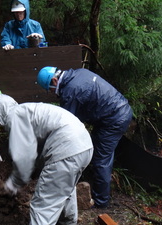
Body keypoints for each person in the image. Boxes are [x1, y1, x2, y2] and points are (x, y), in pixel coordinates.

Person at [0, 94, 93, 225]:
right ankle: (67, 222)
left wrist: (13, 184)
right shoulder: (26, 110)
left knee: (43, 206)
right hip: (84, 145)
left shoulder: (14, 117)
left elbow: (24, 157)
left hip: (66, 148)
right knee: (64, 189)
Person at [37, 66, 133, 209]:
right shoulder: (78, 73)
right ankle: (96, 183)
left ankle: (101, 201)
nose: (51, 92)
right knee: (96, 150)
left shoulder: (70, 92)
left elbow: (65, 127)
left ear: (55, 80)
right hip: (116, 111)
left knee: (101, 160)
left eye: (49, 89)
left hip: (114, 119)